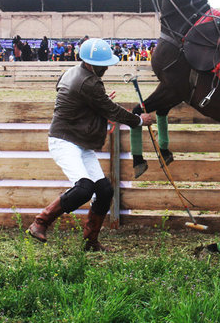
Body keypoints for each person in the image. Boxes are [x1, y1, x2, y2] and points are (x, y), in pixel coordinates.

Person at [27, 38, 153, 251]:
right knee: (84, 188)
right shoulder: (90, 82)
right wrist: (140, 120)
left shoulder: (72, 73)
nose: (105, 68)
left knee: (104, 190)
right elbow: (111, 110)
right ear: (89, 63)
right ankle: (40, 222)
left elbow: (79, 103)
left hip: (78, 141)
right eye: (102, 64)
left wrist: (98, 103)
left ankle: (90, 241)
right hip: (65, 141)